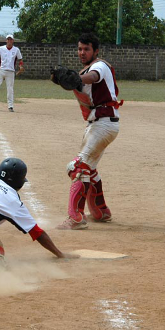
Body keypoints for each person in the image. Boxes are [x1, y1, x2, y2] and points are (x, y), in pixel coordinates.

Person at [58, 33, 122, 230]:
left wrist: (77, 78)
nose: (82, 52)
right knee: (89, 169)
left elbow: (92, 78)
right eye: (79, 49)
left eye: (86, 49)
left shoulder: (99, 66)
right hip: (99, 123)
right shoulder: (86, 69)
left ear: (96, 51)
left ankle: (75, 218)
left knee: (77, 168)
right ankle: (101, 211)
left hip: (104, 124)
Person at [0, 34, 24, 112]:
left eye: (11, 39)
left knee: (10, 89)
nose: (9, 41)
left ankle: (10, 106)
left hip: (10, 72)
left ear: (13, 41)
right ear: (6, 40)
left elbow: (20, 60)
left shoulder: (16, 50)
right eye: (8, 39)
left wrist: (20, 67)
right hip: (1, 70)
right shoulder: (1, 49)